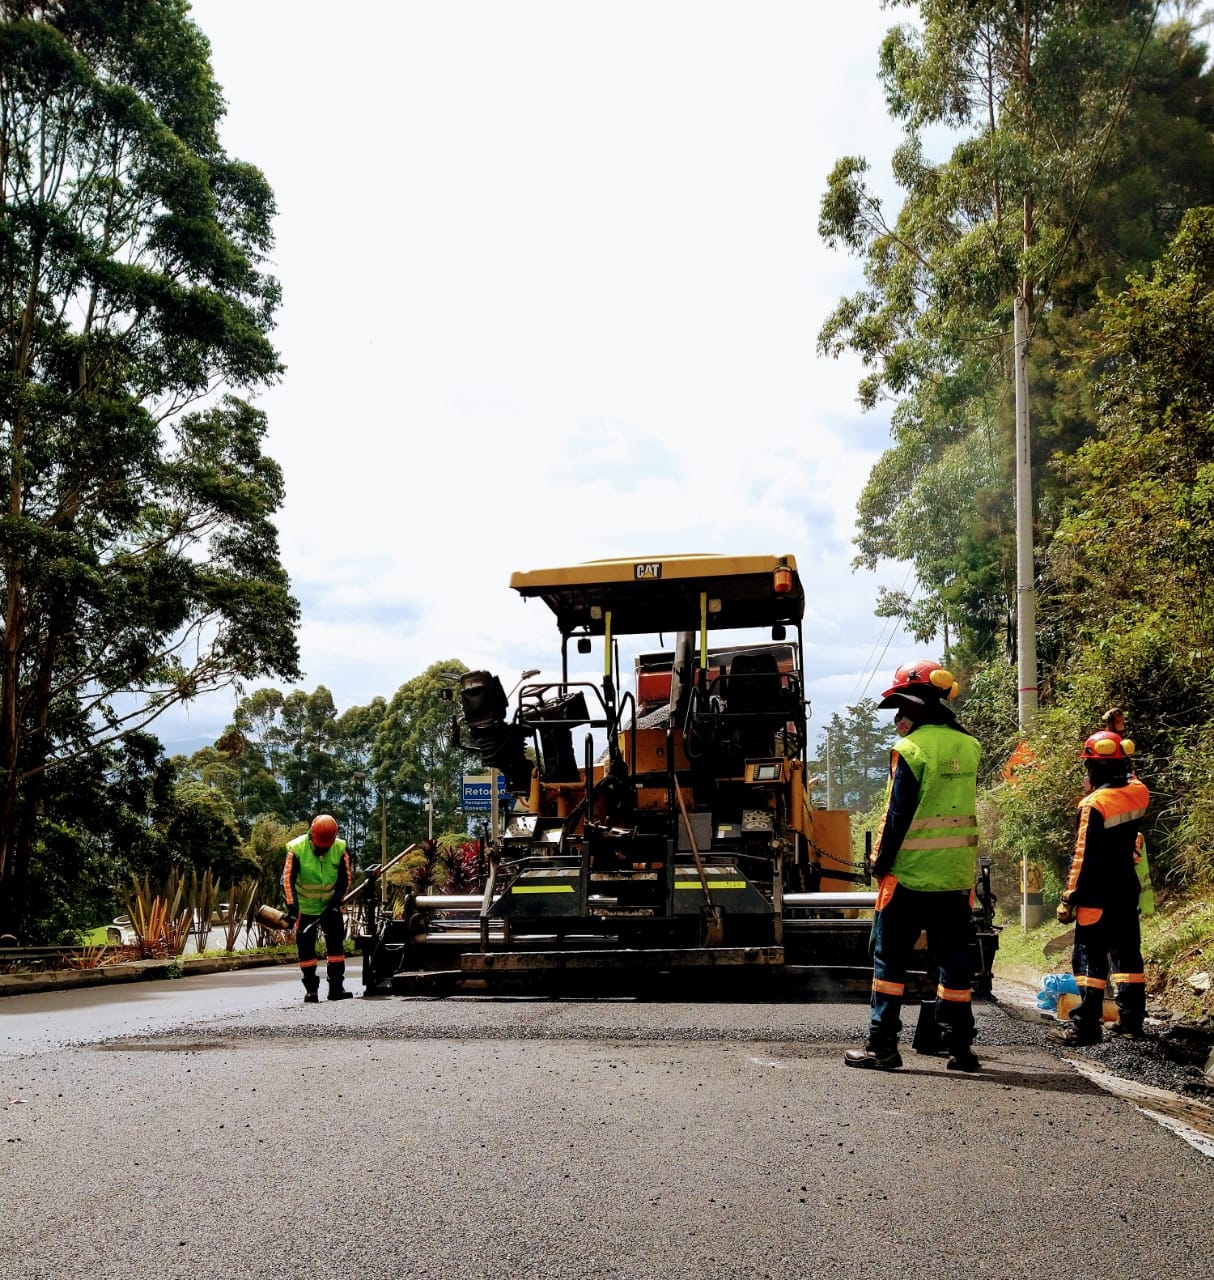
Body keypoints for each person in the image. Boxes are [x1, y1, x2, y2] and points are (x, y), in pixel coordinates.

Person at [844, 659, 983, 1073]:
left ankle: (882, 1047)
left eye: (902, 710)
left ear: (914, 703)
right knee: (954, 966)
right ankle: (961, 1049)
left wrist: (878, 862)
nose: (899, 719)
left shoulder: (910, 750)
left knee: (889, 962)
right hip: (955, 877)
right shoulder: (969, 745)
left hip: (908, 876)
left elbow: (896, 815)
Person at [1048, 730, 1150, 1045]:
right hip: (1125, 889)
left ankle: (1085, 1027)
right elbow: (1130, 776)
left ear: (1092, 769)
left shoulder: (1094, 804)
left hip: (1096, 895)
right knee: (1127, 956)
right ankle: (1131, 1020)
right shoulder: (1139, 793)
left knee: (1089, 957)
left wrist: (1068, 897)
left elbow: (1081, 857)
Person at [282, 813, 354, 1002]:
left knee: (336, 949)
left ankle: (336, 989)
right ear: (312, 834)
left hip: (330, 908)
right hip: (304, 909)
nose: (322, 848)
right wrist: (293, 908)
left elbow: (345, 879)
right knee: (306, 952)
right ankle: (311, 991)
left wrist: (336, 902)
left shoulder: (339, 848)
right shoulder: (296, 849)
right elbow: (287, 881)